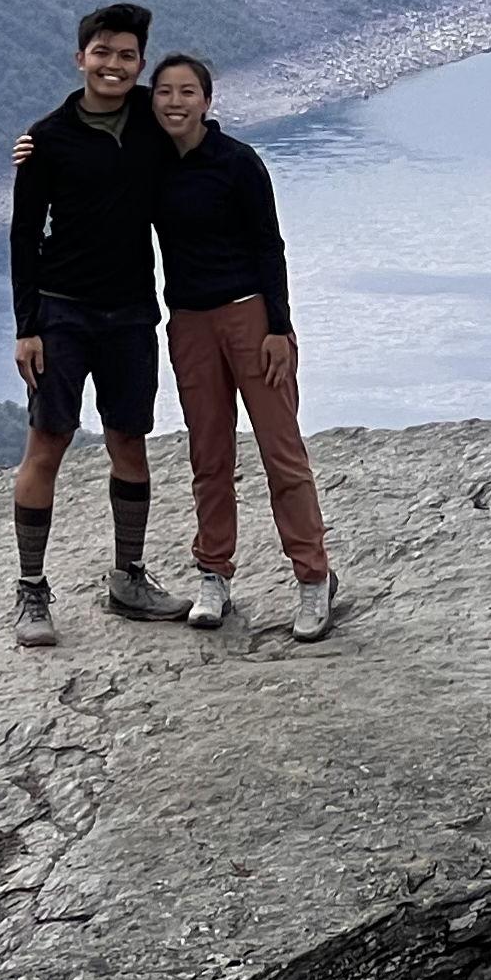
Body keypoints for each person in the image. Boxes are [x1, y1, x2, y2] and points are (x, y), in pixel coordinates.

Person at [5, 2, 184, 646]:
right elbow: (24, 237)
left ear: (140, 65)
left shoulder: (152, 121)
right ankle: (30, 591)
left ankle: (128, 577)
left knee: (129, 441)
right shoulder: (46, 140)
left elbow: (197, 139)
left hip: (133, 309)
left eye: (126, 55)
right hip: (62, 310)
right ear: (80, 57)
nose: (113, 65)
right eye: (102, 52)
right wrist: (27, 326)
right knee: (47, 442)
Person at [149, 51, 338, 642]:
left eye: (187, 92)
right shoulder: (149, 165)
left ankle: (313, 578)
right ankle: (214, 573)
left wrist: (279, 330)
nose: (175, 102)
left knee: (281, 451)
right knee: (209, 454)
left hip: (249, 317)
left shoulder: (238, 164)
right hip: (188, 322)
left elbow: (268, 247)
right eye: (164, 93)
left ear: (207, 102)